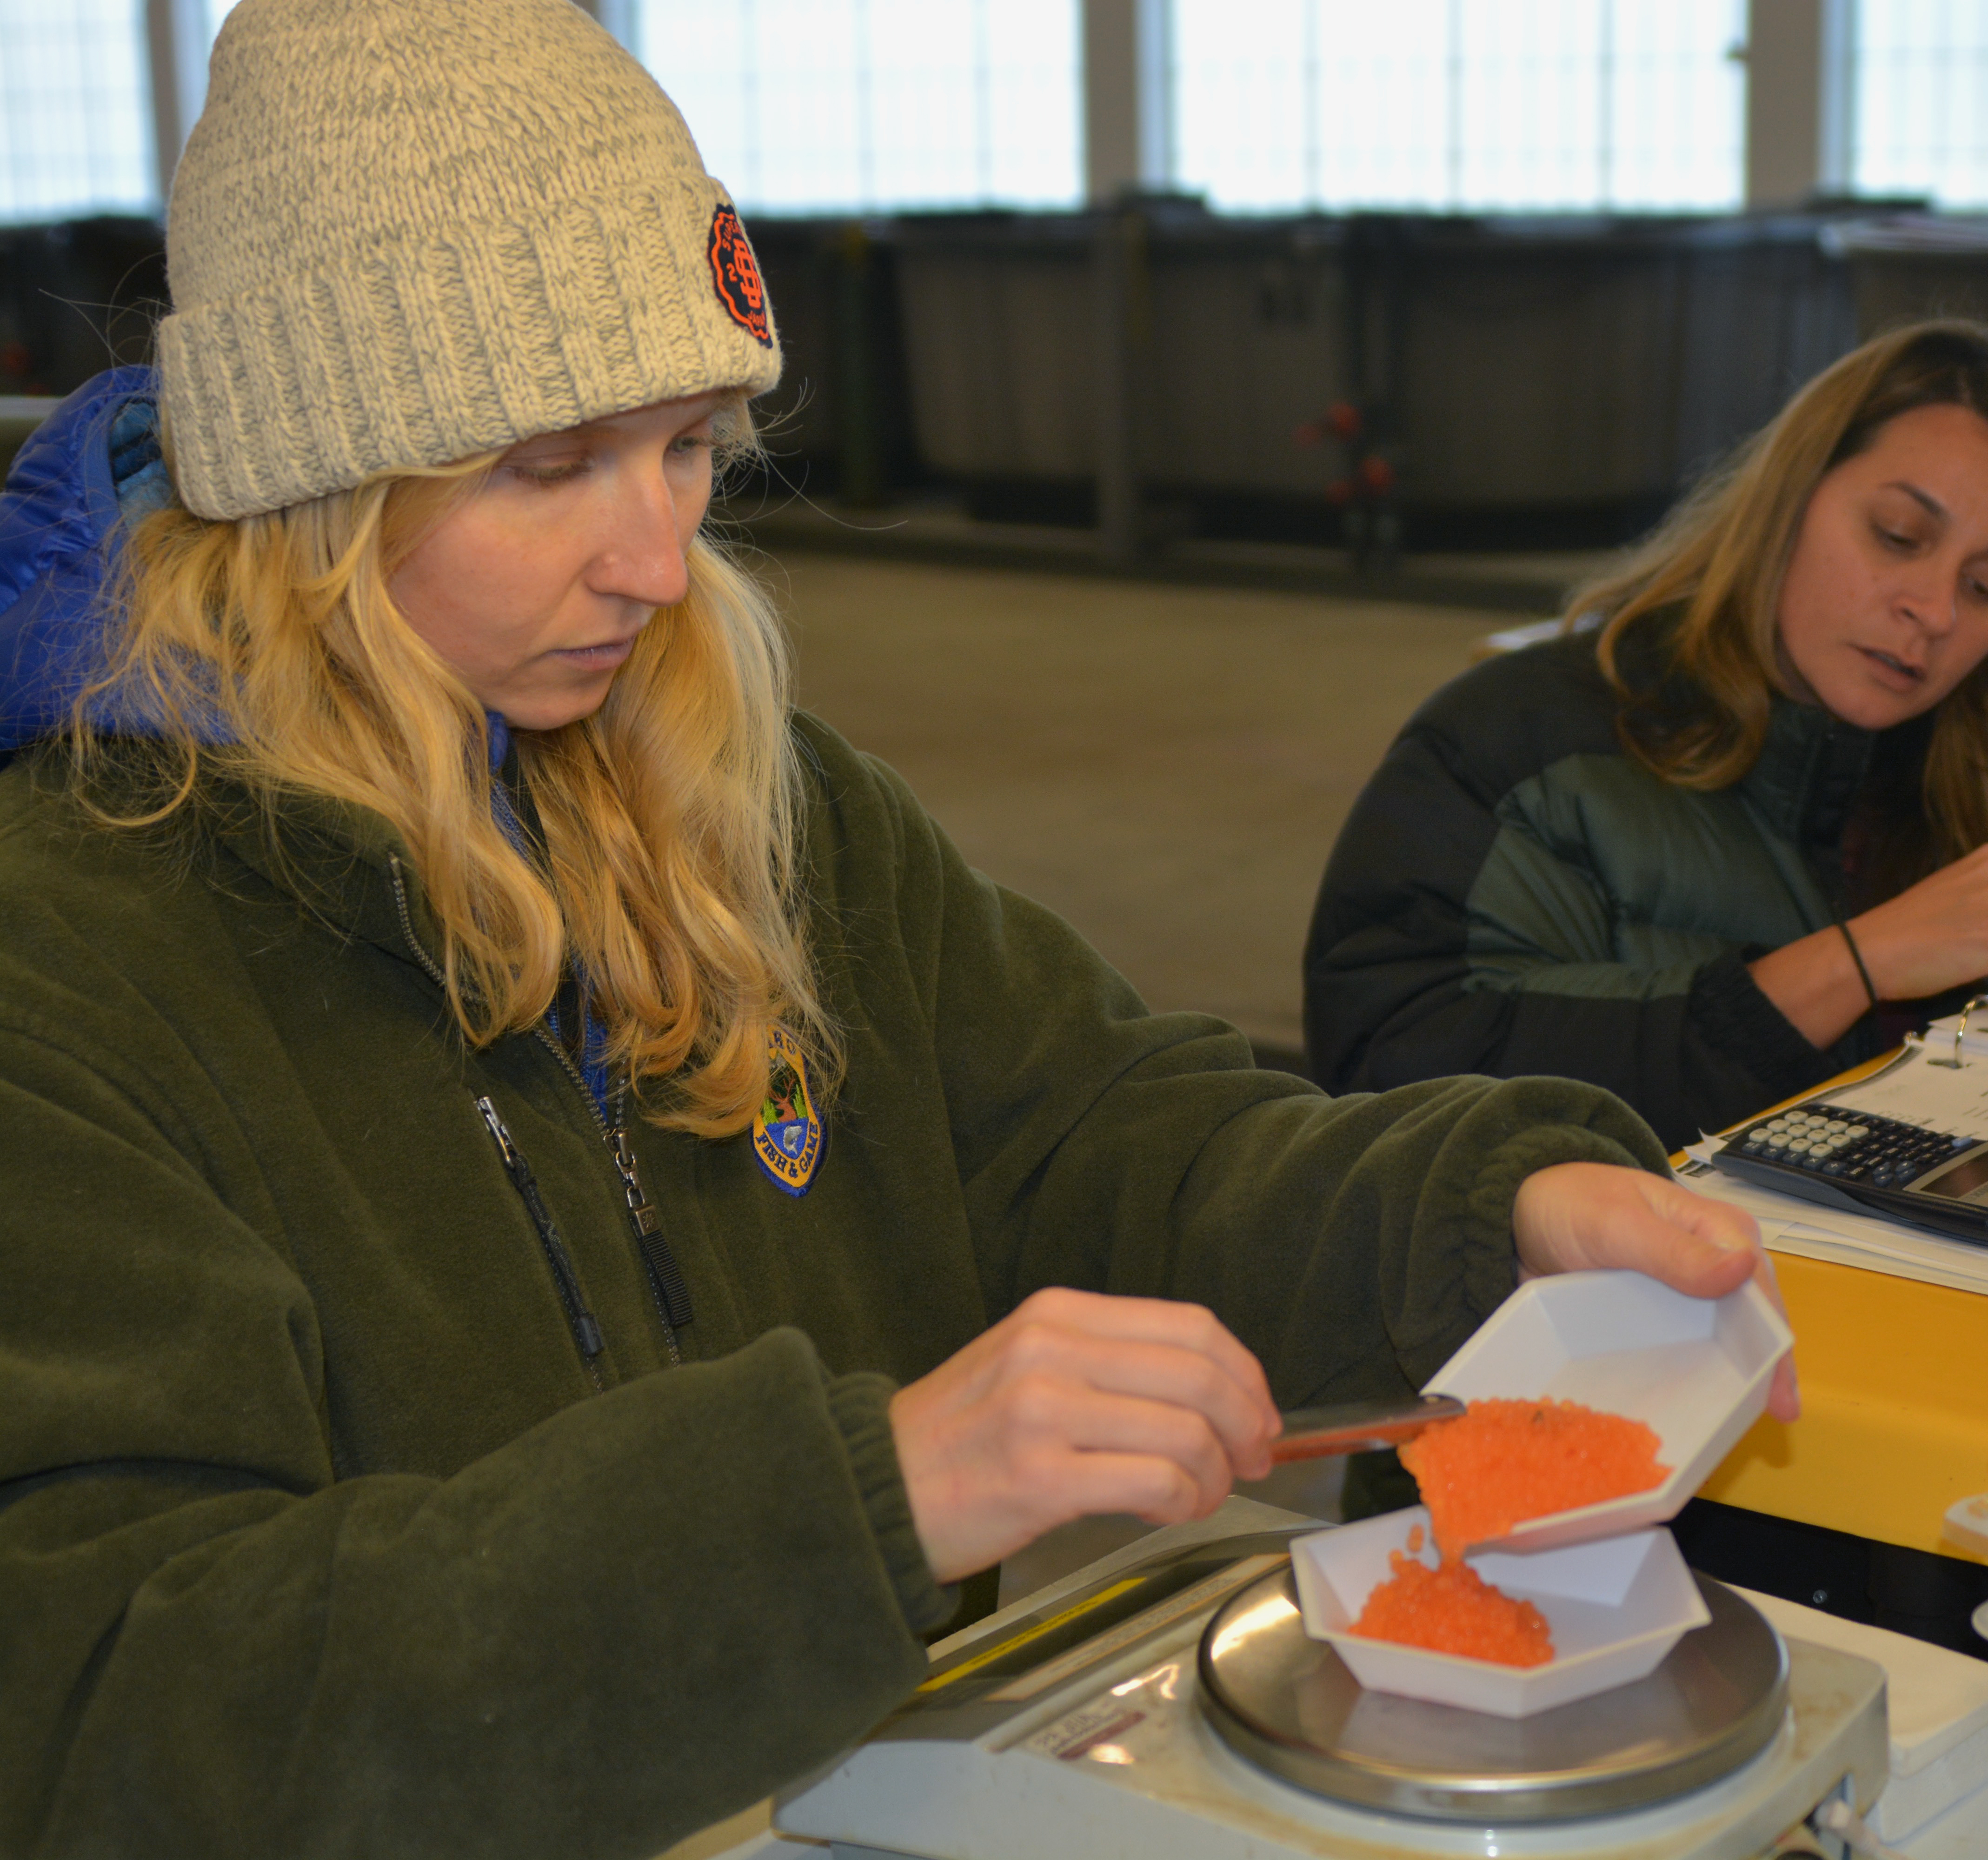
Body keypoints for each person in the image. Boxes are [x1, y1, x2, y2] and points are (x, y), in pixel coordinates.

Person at [0, 5, 1789, 1855]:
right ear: (309, 476)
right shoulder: (67, 962)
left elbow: (1096, 1132)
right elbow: (113, 1702)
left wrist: (1467, 1217)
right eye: (553, 464)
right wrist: (858, 1503)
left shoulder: (753, 807)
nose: (657, 557)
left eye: (690, 444)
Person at [1303, 319, 1988, 1147]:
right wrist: (1850, 966)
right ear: (1788, 500)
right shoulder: (1518, 744)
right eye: (1898, 536)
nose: (1935, 611)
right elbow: (1393, 1081)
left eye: (1987, 588)